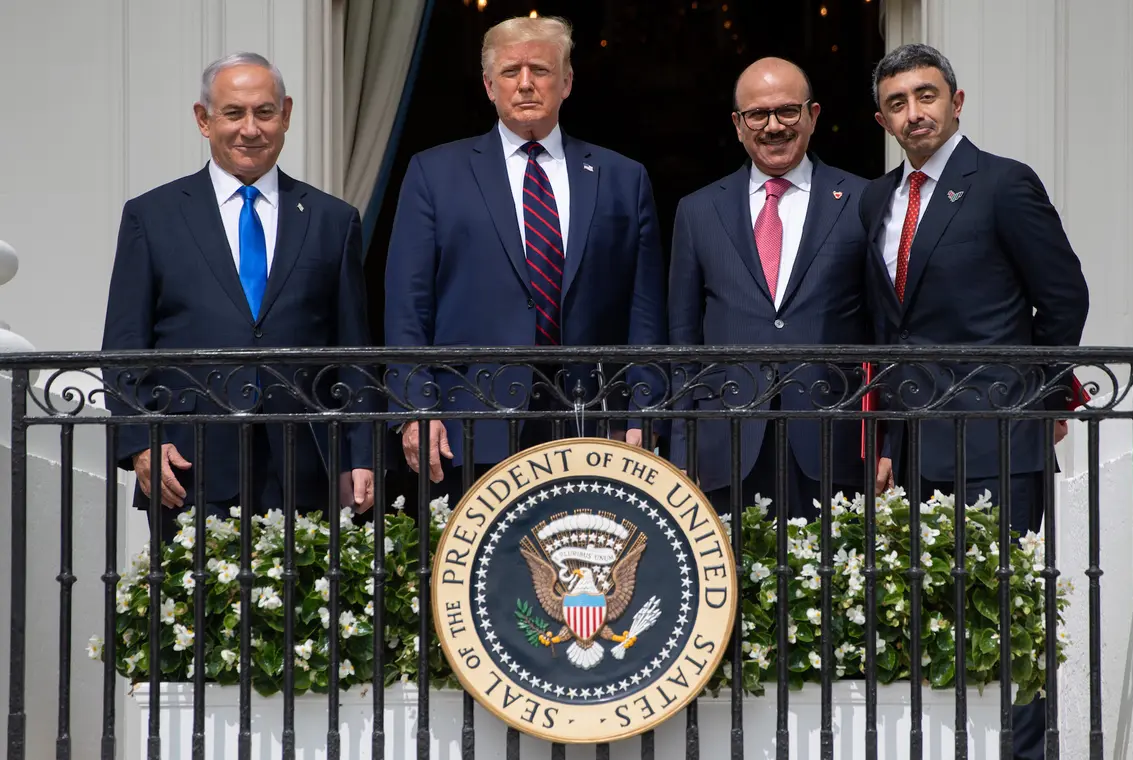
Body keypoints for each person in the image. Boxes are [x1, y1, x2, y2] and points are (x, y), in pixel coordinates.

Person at [859, 43, 1089, 760]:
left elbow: (1062, 297)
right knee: (931, 617)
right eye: (898, 102)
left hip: (997, 438)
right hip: (917, 448)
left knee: (1005, 615)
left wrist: (1042, 399)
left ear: (957, 103)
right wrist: (888, 441)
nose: (913, 112)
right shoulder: (878, 199)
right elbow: (889, 330)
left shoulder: (1003, 184)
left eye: (926, 96)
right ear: (882, 117)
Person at [384, 15, 666, 504]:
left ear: (567, 82)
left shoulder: (624, 178)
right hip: (468, 424)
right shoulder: (434, 173)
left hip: (592, 423)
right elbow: (409, 304)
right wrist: (417, 407)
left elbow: (644, 312)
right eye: (512, 71)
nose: (527, 83)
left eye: (540, 69)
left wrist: (641, 415)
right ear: (489, 86)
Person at [101, 52, 375, 546]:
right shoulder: (153, 215)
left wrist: (362, 454)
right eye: (233, 113)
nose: (250, 129)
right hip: (188, 464)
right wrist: (141, 444)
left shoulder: (332, 220)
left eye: (264, 112)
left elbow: (353, 351)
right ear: (204, 120)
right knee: (194, 618)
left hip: (303, 466)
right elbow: (123, 345)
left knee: (303, 622)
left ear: (286, 114)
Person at [668, 57, 872, 520]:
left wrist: (883, 443)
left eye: (787, 111)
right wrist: (682, 449)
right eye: (758, 114)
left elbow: (884, 327)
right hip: (727, 446)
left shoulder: (864, 200)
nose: (773, 126)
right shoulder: (697, 211)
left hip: (833, 440)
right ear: (738, 125)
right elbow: (682, 342)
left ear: (814, 115)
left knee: (832, 588)